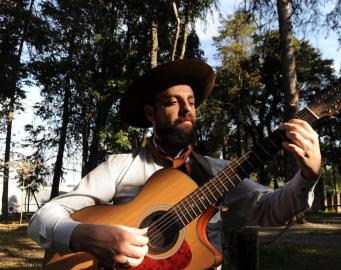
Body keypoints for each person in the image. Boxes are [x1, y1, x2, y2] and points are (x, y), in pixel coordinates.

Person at [28, 59, 321, 268]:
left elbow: (270, 209)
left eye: (192, 101)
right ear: (151, 114)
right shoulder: (120, 167)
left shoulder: (217, 172)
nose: (186, 110)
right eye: (172, 101)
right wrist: (83, 235)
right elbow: (43, 218)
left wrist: (307, 176)